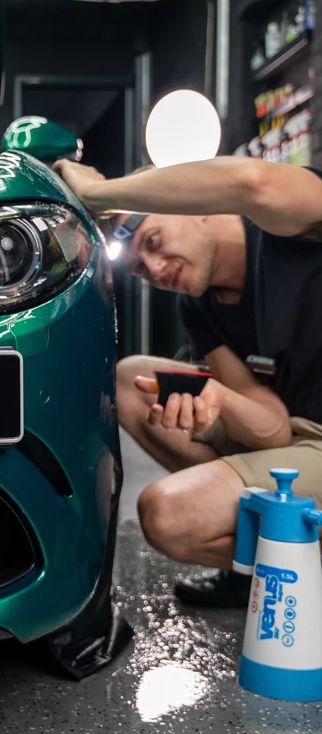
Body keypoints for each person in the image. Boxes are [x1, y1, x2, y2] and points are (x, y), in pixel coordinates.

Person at [53, 155, 322, 608]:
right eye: (140, 268)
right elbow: (273, 428)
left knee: (169, 512)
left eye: (153, 241)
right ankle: (262, 561)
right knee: (130, 381)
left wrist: (96, 193)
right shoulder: (199, 307)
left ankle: (284, 564)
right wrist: (220, 399)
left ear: (200, 206)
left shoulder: (290, 230)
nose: (155, 270)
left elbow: (254, 181)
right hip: (298, 441)